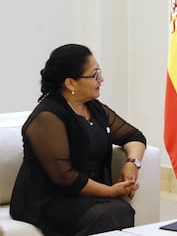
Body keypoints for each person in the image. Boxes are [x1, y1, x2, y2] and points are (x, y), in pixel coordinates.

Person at [10, 44, 147, 235]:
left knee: (118, 210)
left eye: (99, 72)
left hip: (86, 195)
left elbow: (134, 136)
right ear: (70, 83)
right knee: (111, 212)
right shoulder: (47, 117)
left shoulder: (94, 108)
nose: (101, 79)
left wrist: (132, 163)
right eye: (94, 75)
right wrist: (110, 192)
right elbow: (66, 177)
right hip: (49, 199)